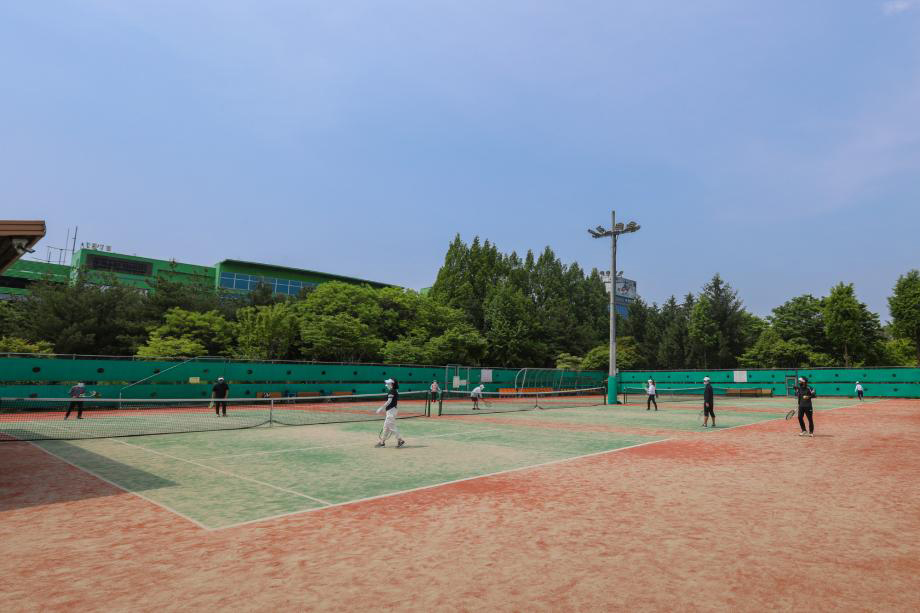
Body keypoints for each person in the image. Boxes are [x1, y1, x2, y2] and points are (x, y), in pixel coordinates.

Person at [375, 379, 405, 448]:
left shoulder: (392, 391)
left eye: (388, 384)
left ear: (391, 384)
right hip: (391, 411)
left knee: (392, 427)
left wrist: (381, 408)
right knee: (386, 427)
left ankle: (400, 440)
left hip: (391, 411)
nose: (387, 385)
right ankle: (382, 442)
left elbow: (389, 401)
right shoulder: (394, 390)